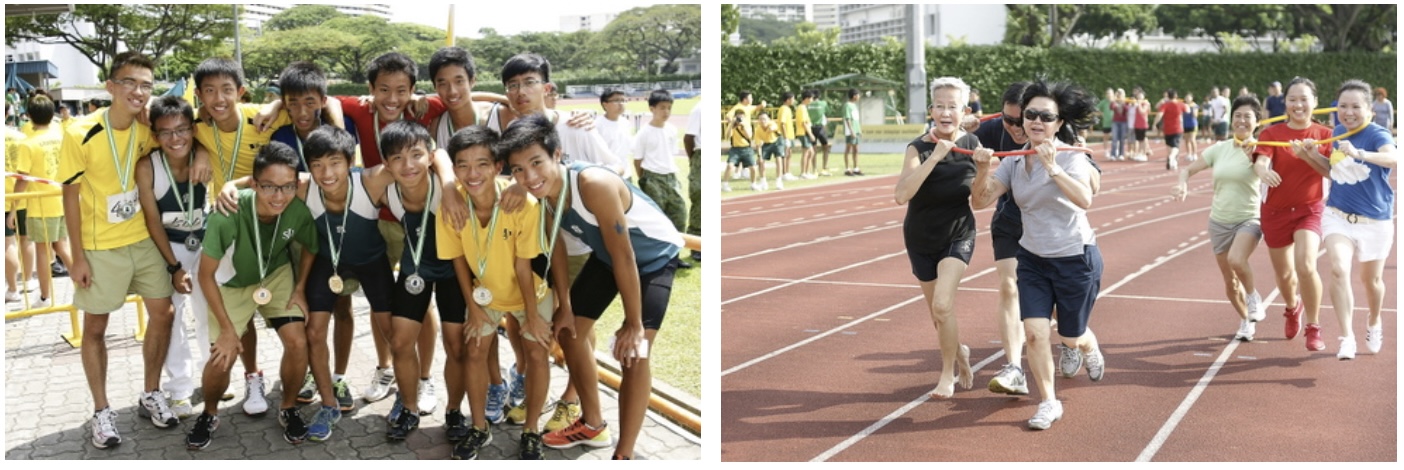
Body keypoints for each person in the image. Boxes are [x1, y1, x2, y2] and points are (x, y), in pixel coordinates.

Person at [502, 114, 691, 460]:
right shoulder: (541, 192)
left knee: (634, 353)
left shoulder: (594, 184)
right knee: (569, 332)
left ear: (557, 154)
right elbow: (557, 246)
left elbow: (626, 256)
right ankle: (592, 425)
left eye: (536, 163)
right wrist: (567, 307)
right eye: (517, 170)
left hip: (651, 257)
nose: (528, 177)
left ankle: (624, 454)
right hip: (607, 259)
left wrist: (633, 324)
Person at [59, 52, 190, 448]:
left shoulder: (147, 128)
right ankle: (101, 411)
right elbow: (70, 195)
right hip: (100, 248)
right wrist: (77, 257)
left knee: (163, 314)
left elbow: (185, 132)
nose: (139, 92)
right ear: (111, 86)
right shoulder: (78, 132)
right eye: (130, 83)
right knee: (96, 329)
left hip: (143, 240)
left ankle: (151, 393)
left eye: (146, 85)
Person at [970, 79, 1105, 430]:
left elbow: (1085, 200)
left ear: (1059, 123)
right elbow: (981, 201)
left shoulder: (1071, 156)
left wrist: (1053, 167)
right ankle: (1048, 401)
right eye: (1031, 115)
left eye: (1046, 117)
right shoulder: (1014, 161)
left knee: (1071, 336)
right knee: (1034, 332)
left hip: (1076, 257)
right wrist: (983, 168)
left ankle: (1085, 345)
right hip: (1032, 259)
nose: (1036, 122)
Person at [439, 125, 566, 459]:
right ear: (454, 170)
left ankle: (531, 430)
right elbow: (457, 262)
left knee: (537, 352)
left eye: (482, 164)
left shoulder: (521, 202)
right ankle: (479, 427)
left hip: (530, 294)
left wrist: (532, 319)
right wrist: (474, 307)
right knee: (475, 349)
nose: (473, 173)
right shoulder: (451, 206)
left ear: (498, 167)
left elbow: (524, 267)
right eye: (463, 165)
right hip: (485, 295)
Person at [184, 142, 319, 449]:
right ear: (255, 184)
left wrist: (299, 289)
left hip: (276, 275)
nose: (279, 196)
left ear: (296, 184)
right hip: (230, 284)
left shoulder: (296, 210)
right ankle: (209, 412)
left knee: (298, 341)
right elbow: (205, 275)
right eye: (270, 187)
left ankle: (288, 407)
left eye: (287, 187)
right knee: (222, 356)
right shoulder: (227, 213)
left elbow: (311, 246)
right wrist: (229, 331)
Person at [193, 56, 296, 416]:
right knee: (240, 309)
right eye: (209, 92)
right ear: (199, 96)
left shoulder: (261, 115)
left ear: (241, 91)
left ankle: (284, 377)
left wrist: (276, 101)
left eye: (226, 90)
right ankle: (250, 374)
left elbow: (303, 98)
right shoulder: (197, 126)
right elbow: (163, 123)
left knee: (283, 308)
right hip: (229, 223)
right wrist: (201, 150)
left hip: (272, 221)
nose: (218, 99)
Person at [267, 62, 362, 413]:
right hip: (300, 235)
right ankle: (306, 371)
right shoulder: (281, 137)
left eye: (310, 102)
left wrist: (334, 114)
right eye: (292, 103)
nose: (302, 111)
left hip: (339, 231)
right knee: (301, 306)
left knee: (344, 305)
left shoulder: (342, 127)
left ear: (323, 100)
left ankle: (339, 375)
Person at [893, 77, 978, 399]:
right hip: (920, 238)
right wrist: (934, 157)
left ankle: (947, 375)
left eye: (952, 107)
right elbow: (902, 195)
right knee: (937, 315)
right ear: (931, 109)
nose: (945, 112)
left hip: (959, 234)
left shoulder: (972, 145)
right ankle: (961, 355)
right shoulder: (918, 147)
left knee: (943, 304)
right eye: (939, 106)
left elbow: (983, 198)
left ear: (964, 110)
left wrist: (984, 169)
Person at [131, 96, 209, 421]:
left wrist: (203, 151)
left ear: (193, 130)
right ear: (154, 135)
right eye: (166, 133)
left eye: (182, 130)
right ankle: (179, 390)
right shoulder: (148, 166)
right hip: (170, 247)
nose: (175, 139)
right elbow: (152, 221)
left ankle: (211, 375)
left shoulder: (204, 154)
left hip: (205, 243)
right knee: (173, 316)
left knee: (210, 311)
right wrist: (174, 267)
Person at [1173, 95, 1268, 341]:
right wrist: (1182, 183)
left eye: (1247, 116)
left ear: (1257, 121)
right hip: (1219, 221)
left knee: (1238, 260)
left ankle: (1253, 296)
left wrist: (1254, 159)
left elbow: (1268, 172)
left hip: (1249, 218)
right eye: (1237, 115)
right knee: (1230, 281)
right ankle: (1246, 318)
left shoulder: (1263, 148)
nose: (1241, 120)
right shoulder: (1219, 148)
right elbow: (1187, 169)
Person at [1252, 76, 1332, 351]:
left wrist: (1309, 155)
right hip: (1275, 211)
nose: (1298, 105)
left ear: (1315, 103)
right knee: (1285, 276)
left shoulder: (1325, 134)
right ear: (1284, 102)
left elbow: (1329, 171)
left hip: (1311, 209)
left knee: (1306, 265)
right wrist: (1263, 170)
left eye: (1304, 99)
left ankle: (1314, 326)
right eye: (1292, 99)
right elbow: (1261, 161)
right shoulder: (1271, 133)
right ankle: (1291, 306)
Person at [1320, 79, 1395, 359]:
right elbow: (1333, 172)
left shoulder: (1378, 134)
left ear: (1370, 110)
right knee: (1338, 269)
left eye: (1355, 107)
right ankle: (1346, 337)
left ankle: (1374, 321)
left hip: (1375, 221)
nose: (1348, 112)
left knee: (1371, 281)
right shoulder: (1337, 132)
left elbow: (1393, 158)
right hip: (1337, 215)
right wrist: (1306, 155)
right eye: (1342, 106)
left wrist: (1360, 152)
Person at [973, 81, 1032, 395]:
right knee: (1009, 287)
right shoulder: (994, 128)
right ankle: (1014, 367)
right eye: (1007, 120)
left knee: (1054, 307)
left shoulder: (1055, 133)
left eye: (1018, 121)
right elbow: (943, 141)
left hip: (1048, 226)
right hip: (1009, 220)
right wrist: (961, 127)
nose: (1014, 128)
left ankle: (1078, 342)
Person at [13, 94, 73, 308]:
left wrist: (12, 209)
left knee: (42, 250)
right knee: (62, 247)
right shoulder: (61, 136)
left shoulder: (28, 144)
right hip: (61, 199)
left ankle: (45, 297)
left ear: (28, 116)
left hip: (39, 204)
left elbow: (22, 179)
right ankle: (84, 286)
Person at [633, 90, 691, 271]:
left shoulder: (672, 130)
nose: (666, 112)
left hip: (671, 176)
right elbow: (637, 160)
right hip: (652, 177)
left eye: (669, 108)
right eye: (662, 108)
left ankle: (675, 256)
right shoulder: (644, 133)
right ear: (652, 108)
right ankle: (657, 258)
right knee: (657, 220)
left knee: (679, 215)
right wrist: (644, 179)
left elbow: (671, 154)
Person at [595, 89, 635, 182]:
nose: (621, 103)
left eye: (623, 100)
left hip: (626, 173)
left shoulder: (625, 123)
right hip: (607, 174)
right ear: (605, 104)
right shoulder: (597, 125)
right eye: (616, 100)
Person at [685, 95, 703, 263]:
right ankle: (696, 246)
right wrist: (694, 160)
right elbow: (688, 137)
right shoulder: (699, 109)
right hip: (700, 154)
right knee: (700, 199)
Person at [1152, 89, 1188, 170]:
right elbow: (1187, 110)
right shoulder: (1180, 104)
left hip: (1167, 128)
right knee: (1176, 146)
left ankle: (1171, 160)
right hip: (1177, 128)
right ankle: (1172, 157)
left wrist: (1154, 124)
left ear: (1168, 96)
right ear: (1176, 96)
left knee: (1169, 145)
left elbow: (1159, 114)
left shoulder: (1165, 105)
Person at [724, 108, 758, 192]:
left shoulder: (746, 124)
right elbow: (727, 136)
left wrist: (743, 126)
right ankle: (725, 184)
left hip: (746, 148)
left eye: (741, 117)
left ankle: (753, 184)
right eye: (738, 117)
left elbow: (749, 136)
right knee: (730, 166)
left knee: (753, 167)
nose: (739, 119)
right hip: (735, 149)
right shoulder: (733, 126)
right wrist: (732, 124)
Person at [807, 90, 834, 176]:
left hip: (810, 127)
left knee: (813, 149)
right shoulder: (823, 103)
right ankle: (824, 168)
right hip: (820, 127)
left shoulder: (807, 104)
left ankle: (814, 169)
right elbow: (828, 112)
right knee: (825, 147)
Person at [754, 110, 781, 190]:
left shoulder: (771, 123)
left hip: (776, 142)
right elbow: (758, 144)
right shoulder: (757, 129)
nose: (763, 121)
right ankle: (763, 182)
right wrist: (759, 156)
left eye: (764, 119)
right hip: (766, 143)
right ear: (758, 120)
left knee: (779, 159)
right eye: (761, 119)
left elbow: (774, 127)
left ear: (768, 119)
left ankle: (779, 181)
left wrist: (771, 129)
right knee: (761, 161)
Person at [842, 88, 864, 175]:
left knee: (856, 149)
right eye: (858, 95)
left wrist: (859, 130)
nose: (859, 97)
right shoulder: (847, 105)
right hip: (850, 131)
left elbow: (856, 120)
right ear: (854, 96)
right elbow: (847, 119)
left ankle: (856, 168)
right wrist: (851, 131)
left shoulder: (854, 105)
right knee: (848, 148)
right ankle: (847, 168)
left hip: (856, 130)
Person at [794, 91, 815, 179]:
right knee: (808, 152)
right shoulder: (801, 108)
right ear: (807, 98)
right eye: (811, 98)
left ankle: (807, 172)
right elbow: (803, 123)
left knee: (809, 152)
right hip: (803, 132)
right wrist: (810, 134)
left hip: (805, 132)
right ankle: (803, 172)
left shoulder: (804, 108)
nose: (812, 100)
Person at [777, 92, 797, 181]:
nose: (794, 101)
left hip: (790, 135)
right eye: (793, 99)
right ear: (788, 100)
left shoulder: (788, 109)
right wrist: (785, 138)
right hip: (785, 136)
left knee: (789, 154)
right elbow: (782, 124)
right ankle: (784, 173)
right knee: (785, 154)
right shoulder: (784, 109)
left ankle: (788, 172)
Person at [1183, 92, 1200, 161]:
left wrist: (1191, 110)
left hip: (1193, 124)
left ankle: (1195, 154)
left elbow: (1195, 116)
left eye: (1189, 97)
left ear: (1192, 98)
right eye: (1186, 97)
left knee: (1192, 139)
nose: (1187, 98)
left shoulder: (1194, 105)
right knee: (1186, 140)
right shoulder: (1183, 105)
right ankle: (1189, 154)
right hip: (1185, 124)